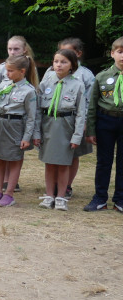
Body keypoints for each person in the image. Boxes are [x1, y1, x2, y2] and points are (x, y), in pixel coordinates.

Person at [42, 37, 95, 199]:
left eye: (68, 53)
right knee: (53, 156)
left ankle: (67, 186)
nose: (60, 62)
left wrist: (85, 121)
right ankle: (54, 187)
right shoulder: (51, 73)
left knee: (73, 154)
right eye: (57, 57)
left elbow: (89, 100)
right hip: (52, 122)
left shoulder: (85, 75)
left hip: (75, 121)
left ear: (77, 54)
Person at [36, 49, 88, 211]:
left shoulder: (78, 85)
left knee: (64, 163)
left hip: (66, 126)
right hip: (48, 125)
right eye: (56, 61)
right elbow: (37, 111)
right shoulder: (45, 83)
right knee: (49, 163)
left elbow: (81, 113)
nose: (59, 65)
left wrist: (77, 136)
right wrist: (36, 133)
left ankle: (61, 196)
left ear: (72, 65)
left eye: (64, 62)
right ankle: (49, 195)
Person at [0, 54, 39, 207]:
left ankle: (9, 194)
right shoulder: (4, 84)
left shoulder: (29, 91)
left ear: (22, 71)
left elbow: (31, 117)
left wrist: (26, 137)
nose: (7, 73)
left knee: (14, 159)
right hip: (0, 124)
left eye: (10, 71)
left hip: (15, 126)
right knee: (0, 158)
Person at [83, 37, 123, 212]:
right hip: (105, 120)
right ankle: (100, 198)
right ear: (112, 53)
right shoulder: (101, 76)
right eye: (120, 51)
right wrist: (91, 129)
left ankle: (120, 199)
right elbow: (92, 105)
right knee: (103, 162)